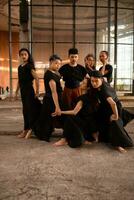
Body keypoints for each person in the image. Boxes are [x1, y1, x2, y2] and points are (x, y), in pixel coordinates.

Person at [90, 70, 133, 153]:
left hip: (114, 107)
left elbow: (113, 104)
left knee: (114, 123)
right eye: (92, 81)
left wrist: (115, 116)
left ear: (101, 80)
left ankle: (119, 144)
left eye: (96, 81)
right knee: (97, 117)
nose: (94, 83)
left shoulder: (105, 91)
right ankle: (101, 136)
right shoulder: (100, 84)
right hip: (105, 106)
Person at [33, 54, 63, 142]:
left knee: (47, 118)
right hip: (51, 100)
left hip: (53, 99)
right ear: (50, 63)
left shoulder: (54, 72)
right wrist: (57, 106)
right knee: (47, 119)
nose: (58, 65)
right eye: (56, 63)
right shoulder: (50, 75)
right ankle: (42, 134)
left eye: (59, 64)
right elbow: (54, 92)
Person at [15, 48, 41, 139]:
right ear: (20, 56)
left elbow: (37, 79)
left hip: (29, 91)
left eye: (25, 54)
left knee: (30, 111)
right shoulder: (19, 67)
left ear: (28, 55)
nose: (23, 56)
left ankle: (30, 129)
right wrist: (16, 92)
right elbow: (19, 80)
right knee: (25, 111)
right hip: (23, 92)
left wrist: (37, 91)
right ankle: (26, 129)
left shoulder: (30, 66)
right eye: (22, 54)